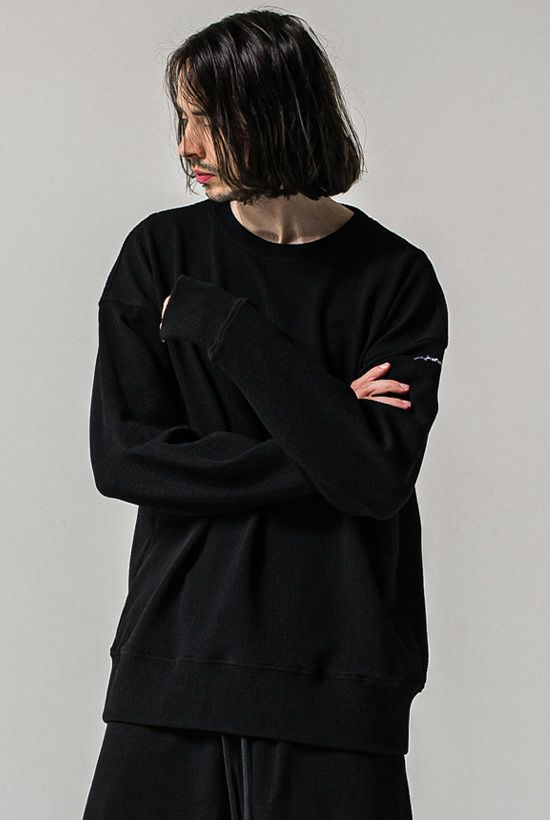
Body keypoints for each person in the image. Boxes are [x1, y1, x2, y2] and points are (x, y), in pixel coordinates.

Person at [83, 9, 449, 819]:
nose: (187, 146)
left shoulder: (395, 279)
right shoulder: (159, 255)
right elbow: (125, 458)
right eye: (183, 118)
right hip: (174, 662)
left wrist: (229, 329)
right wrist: (330, 429)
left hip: (339, 681)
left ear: (277, 113)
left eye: (208, 119)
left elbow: (375, 480)